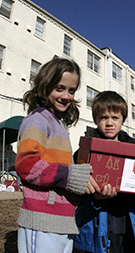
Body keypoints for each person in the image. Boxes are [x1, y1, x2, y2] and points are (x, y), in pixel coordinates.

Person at [15, 57, 100, 253]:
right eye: (59, 88)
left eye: (71, 90)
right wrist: (71, 175)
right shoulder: (37, 120)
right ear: (44, 86)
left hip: (62, 220)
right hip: (42, 221)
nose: (66, 96)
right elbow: (26, 165)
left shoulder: (58, 123)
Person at [74, 91, 135, 253]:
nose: (109, 123)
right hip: (98, 226)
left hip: (130, 224)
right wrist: (96, 199)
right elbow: (76, 191)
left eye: (115, 118)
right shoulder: (84, 152)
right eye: (103, 117)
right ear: (95, 120)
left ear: (123, 120)